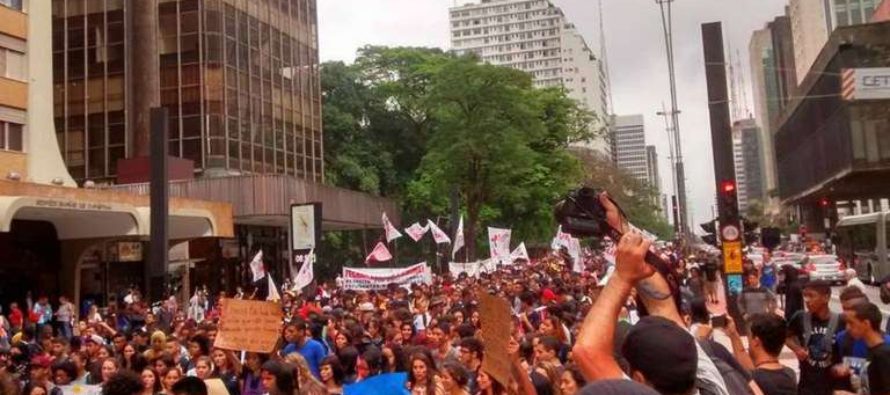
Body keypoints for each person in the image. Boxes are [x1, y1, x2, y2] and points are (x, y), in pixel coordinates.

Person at [786, 281, 845, 395]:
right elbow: (786, 336)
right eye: (805, 296)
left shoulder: (841, 321)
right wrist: (797, 349)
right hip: (807, 385)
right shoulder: (800, 317)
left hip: (833, 386)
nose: (807, 300)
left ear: (826, 298)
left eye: (811, 296)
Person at [721, 314, 796, 395]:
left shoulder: (753, 381)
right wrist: (733, 335)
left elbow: (752, 373)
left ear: (756, 341)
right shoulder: (790, 375)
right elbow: (751, 368)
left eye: (749, 338)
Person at [842, 302, 890, 395]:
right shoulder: (871, 350)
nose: (847, 328)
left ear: (866, 324)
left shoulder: (884, 354)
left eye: (851, 323)